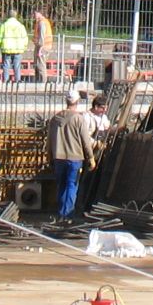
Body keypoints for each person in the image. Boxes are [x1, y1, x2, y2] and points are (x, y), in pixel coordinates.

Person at [47, 87, 96, 219]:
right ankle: (67, 215)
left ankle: (61, 213)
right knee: (71, 185)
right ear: (77, 102)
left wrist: (49, 156)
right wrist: (91, 157)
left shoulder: (55, 119)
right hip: (74, 159)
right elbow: (86, 141)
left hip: (58, 158)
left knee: (62, 185)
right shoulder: (78, 119)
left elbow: (49, 141)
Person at [0, 12, 29, 82]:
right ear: (16, 16)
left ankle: (6, 81)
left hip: (7, 49)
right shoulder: (21, 26)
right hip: (18, 49)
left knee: (6, 66)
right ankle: (17, 80)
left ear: (7, 16)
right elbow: (25, 38)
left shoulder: (3, 25)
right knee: (17, 66)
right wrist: (24, 47)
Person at [30, 7, 56, 82]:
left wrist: (40, 48)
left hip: (42, 47)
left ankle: (42, 83)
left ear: (40, 13)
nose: (34, 15)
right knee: (38, 65)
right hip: (43, 46)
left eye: (35, 13)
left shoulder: (42, 22)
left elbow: (42, 36)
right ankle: (40, 82)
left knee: (41, 65)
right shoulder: (42, 22)